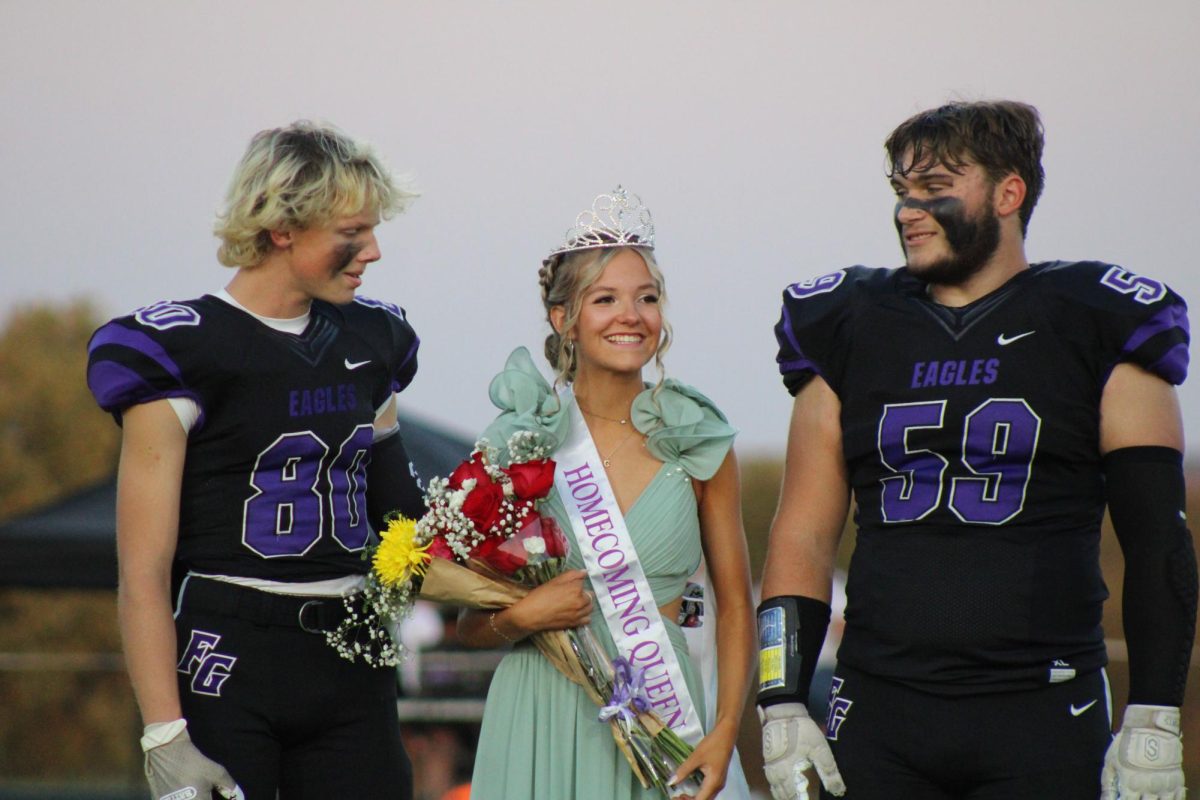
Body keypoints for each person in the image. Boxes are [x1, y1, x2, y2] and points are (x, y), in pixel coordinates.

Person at [757, 100, 1194, 800]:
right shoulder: (849, 323)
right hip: (878, 707)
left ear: (1008, 192)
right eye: (902, 192)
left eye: (934, 189)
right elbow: (802, 534)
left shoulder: (1099, 320)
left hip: (1042, 710)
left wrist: (1157, 707)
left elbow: (1157, 542)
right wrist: (779, 696)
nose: (908, 211)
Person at [86, 120, 425, 800]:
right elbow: (143, 573)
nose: (373, 252)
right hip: (228, 652)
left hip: (350, 654)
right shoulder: (178, 348)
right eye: (351, 234)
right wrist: (164, 736)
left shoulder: (373, 337)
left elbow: (403, 525)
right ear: (282, 229)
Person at [457, 187, 756, 799]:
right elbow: (468, 622)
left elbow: (735, 605)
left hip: (663, 715)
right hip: (539, 709)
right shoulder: (522, 443)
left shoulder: (698, 441)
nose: (631, 315)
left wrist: (727, 726)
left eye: (647, 298)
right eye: (606, 299)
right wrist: (521, 617)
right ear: (563, 318)